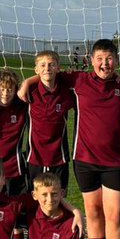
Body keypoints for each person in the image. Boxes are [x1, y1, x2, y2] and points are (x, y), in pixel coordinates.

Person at [19, 39, 120, 239]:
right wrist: (28, 81)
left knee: (114, 215)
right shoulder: (79, 81)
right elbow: (48, 73)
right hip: (85, 160)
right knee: (93, 213)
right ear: (91, 60)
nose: (105, 63)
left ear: (116, 60)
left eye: (110, 58)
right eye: (100, 58)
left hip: (115, 161)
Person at [19, 50, 74, 193]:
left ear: (58, 67)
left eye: (51, 65)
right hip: (35, 158)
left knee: (59, 199)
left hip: (59, 157)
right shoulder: (29, 92)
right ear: (36, 69)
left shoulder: (67, 91)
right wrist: (27, 82)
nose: (47, 68)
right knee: (35, 200)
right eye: (42, 65)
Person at [0, 68, 30, 195]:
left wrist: (26, 83)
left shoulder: (22, 107)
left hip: (15, 168)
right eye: (2, 89)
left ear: (16, 91)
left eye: (10, 89)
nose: (5, 93)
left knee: (18, 208)